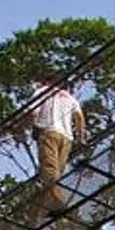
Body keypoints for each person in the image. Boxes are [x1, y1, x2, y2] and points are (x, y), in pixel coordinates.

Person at [29, 79, 85, 211]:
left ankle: (58, 202)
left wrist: (35, 127)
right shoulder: (70, 98)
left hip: (49, 132)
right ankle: (47, 203)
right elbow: (79, 117)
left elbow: (33, 112)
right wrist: (81, 138)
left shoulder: (43, 91)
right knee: (57, 173)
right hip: (66, 138)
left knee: (49, 169)